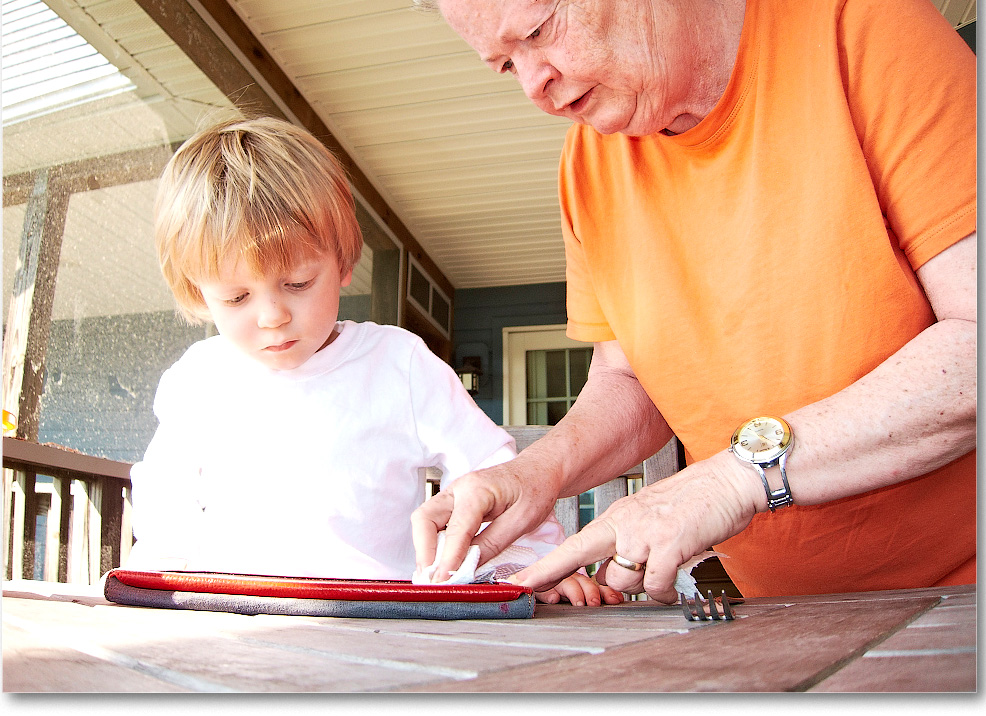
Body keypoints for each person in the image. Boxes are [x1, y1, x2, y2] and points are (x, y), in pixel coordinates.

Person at [408, 0, 976, 601]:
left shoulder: (860, 28)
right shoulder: (587, 165)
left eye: (539, 30)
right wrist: (536, 473)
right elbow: (632, 381)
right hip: (778, 615)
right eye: (507, 64)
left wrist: (734, 478)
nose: (534, 85)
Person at [126, 115, 622, 606]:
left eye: (297, 283)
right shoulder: (199, 379)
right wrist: (162, 583)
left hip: (378, 613)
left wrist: (527, 567)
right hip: (231, 611)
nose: (272, 316)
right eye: (236, 297)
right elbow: (165, 499)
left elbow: (489, 471)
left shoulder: (398, 365)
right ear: (197, 291)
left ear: (343, 262)